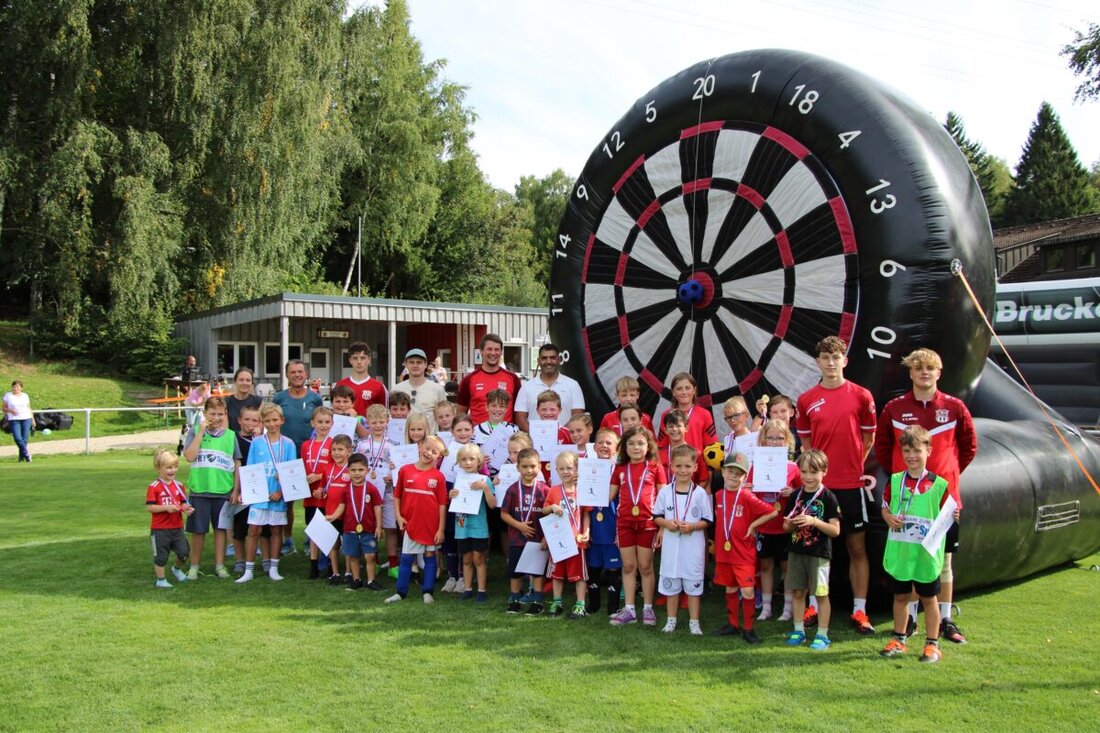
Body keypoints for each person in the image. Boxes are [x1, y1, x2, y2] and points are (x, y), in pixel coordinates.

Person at [874, 348, 977, 645]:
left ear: (938, 373)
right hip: (906, 501)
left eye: (930, 368)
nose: (924, 372)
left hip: (942, 502)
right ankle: (910, 621)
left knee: (942, 562)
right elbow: (883, 449)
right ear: (910, 373)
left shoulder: (954, 407)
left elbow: (968, 448)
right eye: (918, 368)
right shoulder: (894, 408)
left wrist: (947, 477)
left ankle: (945, 619)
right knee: (909, 560)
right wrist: (901, 478)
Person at [795, 336, 877, 635]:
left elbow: (868, 439)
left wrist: (853, 466)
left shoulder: (862, 395)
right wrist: (817, 475)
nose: (831, 363)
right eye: (825, 358)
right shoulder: (806, 400)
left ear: (845, 360)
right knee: (814, 550)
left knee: (856, 547)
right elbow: (807, 447)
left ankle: (859, 610)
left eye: (836, 357)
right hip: (819, 489)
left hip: (851, 485)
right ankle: (814, 607)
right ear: (818, 362)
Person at [878, 425, 952, 663]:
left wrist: (954, 515)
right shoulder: (895, 481)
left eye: (917, 450)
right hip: (901, 551)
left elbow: (948, 515)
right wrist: (888, 517)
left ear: (928, 451)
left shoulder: (939, 484)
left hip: (925, 554)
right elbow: (885, 507)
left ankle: (932, 645)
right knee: (900, 597)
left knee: (928, 599)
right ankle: (899, 640)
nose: (911, 456)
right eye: (907, 450)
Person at [708, 452, 778, 643]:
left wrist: (753, 525)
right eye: (730, 471)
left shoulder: (747, 496)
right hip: (724, 552)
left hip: (743, 553)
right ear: (723, 472)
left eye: (738, 474)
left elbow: (772, 512)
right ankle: (732, 624)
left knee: (747, 591)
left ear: (744, 477)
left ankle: (748, 628)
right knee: (730, 588)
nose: (733, 476)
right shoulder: (719, 495)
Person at [653, 444, 714, 635]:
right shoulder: (665, 492)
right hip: (671, 548)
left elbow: (707, 520)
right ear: (671, 466)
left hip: (692, 548)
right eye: (678, 466)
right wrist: (667, 523)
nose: (683, 470)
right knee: (671, 587)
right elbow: (657, 516)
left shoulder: (700, 493)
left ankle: (694, 623)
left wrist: (693, 526)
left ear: (695, 467)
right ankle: (671, 620)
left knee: (693, 588)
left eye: (687, 466)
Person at [783, 449, 841, 651]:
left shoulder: (828, 497)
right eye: (804, 472)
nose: (808, 477)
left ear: (824, 472)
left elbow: (835, 530)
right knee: (798, 591)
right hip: (796, 551)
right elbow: (785, 527)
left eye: (813, 472)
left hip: (819, 554)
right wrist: (790, 524)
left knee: (821, 594)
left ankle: (822, 635)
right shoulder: (795, 495)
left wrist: (814, 521)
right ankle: (798, 631)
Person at [608, 426, 667, 626]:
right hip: (624, 523)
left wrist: (662, 527)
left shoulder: (655, 467)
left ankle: (648, 608)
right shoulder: (619, 469)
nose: (636, 447)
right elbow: (608, 496)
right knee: (628, 566)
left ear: (648, 446)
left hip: (648, 524)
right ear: (624, 447)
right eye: (631, 443)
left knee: (645, 566)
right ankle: (630, 609)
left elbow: (663, 499)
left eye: (640, 443)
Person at [181, 396, 240, 580]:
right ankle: (194, 566)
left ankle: (220, 565)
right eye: (212, 414)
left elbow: (237, 463)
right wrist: (200, 433)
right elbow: (189, 457)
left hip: (222, 491)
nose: (216, 418)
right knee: (198, 531)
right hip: (200, 490)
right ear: (205, 413)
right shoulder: (194, 432)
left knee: (220, 530)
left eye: (220, 414)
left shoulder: (230, 435)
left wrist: (235, 490)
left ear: (225, 414)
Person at [237, 404, 296, 583]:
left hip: (277, 496)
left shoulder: (288, 444)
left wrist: (281, 491)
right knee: (253, 530)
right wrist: (249, 492)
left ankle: (274, 568)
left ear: (282, 420)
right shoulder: (257, 443)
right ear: (262, 422)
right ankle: (248, 570)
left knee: (276, 530)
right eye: (268, 420)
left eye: (275, 420)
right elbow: (250, 468)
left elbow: (292, 472)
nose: (272, 424)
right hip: (259, 495)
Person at [749, 419, 801, 621]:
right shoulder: (756, 466)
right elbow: (749, 495)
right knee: (765, 566)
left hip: (785, 526)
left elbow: (803, 493)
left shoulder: (793, 468)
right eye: (770, 438)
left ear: (787, 440)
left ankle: (787, 609)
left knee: (787, 567)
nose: (774, 442)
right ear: (763, 440)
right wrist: (748, 489)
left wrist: (793, 491)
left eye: (779, 438)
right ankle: (767, 608)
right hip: (765, 526)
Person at [386, 435, 448, 604]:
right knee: (406, 558)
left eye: (434, 452)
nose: (429, 453)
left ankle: (428, 591)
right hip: (411, 524)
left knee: (430, 556)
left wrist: (441, 529)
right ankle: (401, 592)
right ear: (420, 446)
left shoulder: (438, 477)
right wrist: (399, 516)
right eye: (427, 448)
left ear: (439, 456)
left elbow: (442, 504)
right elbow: (397, 496)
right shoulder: (405, 470)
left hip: (431, 525)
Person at [273, 359, 323, 557]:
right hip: (287, 456)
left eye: (300, 371)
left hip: (311, 455)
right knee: (287, 500)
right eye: (293, 372)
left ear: (306, 374)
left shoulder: (315, 398)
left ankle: (313, 539)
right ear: (287, 375)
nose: (297, 375)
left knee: (314, 498)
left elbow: (321, 421)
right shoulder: (279, 398)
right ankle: (287, 540)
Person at [540, 450, 591, 619]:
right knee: (557, 574)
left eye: (569, 468)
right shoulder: (554, 491)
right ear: (556, 470)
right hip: (558, 540)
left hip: (577, 540)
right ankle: (557, 602)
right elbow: (544, 511)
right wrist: (552, 507)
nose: (565, 471)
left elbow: (586, 513)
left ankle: (580, 605)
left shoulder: (581, 490)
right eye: (561, 469)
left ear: (576, 469)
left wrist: (586, 531)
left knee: (579, 575)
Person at [500, 447, 549, 614]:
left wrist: (546, 538)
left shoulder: (544, 489)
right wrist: (519, 525)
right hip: (517, 538)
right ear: (518, 467)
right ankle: (514, 600)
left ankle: (537, 601)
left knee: (537, 572)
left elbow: (550, 517)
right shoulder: (513, 490)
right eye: (525, 466)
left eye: (533, 466)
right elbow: (504, 514)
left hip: (537, 539)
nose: (529, 470)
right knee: (515, 571)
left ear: (539, 467)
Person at [449, 443, 496, 602]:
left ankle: (481, 591)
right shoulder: (458, 480)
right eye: (464, 459)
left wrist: (485, 488)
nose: (468, 462)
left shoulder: (485, 480)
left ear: (479, 461)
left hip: (478, 528)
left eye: (472, 459)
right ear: (459, 462)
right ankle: (467, 589)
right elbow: (454, 502)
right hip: (462, 528)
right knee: (466, 559)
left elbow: (493, 504)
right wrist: (451, 495)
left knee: (479, 559)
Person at [357, 404, 396, 575]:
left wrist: (393, 476)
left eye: (381, 422)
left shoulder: (393, 445)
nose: (378, 425)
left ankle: (393, 565)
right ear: (368, 423)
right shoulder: (362, 445)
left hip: (388, 491)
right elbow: (357, 467)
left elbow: (398, 468)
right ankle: (375, 561)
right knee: (370, 527)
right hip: (368, 493)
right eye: (374, 422)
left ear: (387, 421)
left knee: (390, 528)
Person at [585, 428, 621, 615]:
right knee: (593, 565)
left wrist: (620, 531)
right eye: (600, 442)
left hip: (611, 525)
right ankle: (594, 604)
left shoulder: (620, 471)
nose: (604, 446)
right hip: (592, 525)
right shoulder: (586, 469)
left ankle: (613, 606)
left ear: (617, 448)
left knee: (614, 566)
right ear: (594, 446)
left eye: (609, 443)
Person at [146, 449, 194, 588]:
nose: (172, 470)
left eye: (175, 467)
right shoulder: (154, 487)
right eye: (168, 467)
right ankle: (161, 580)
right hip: (160, 529)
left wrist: (186, 508)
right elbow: (150, 507)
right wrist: (166, 508)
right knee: (161, 556)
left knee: (184, 552)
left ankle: (176, 569)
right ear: (158, 468)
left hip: (177, 527)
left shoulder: (179, 486)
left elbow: (183, 502)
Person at [514, 343, 586, 431]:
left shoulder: (573, 385)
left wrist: (560, 434)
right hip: (534, 439)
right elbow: (520, 418)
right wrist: (536, 434)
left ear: (559, 360)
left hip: (565, 439)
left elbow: (577, 416)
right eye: (544, 358)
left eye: (552, 358)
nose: (548, 362)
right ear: (538, 361)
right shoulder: (527, 387)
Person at [457, 333, 523, 424]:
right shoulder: (468, 379)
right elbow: (460, 414)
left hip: (506, 432)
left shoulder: (513, 379)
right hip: (478, 432)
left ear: (501, 352)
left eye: (497, 349)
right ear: (481, 351)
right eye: (489, 349)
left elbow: (519, 413)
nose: (493, 353)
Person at [341, 453, 385, 591]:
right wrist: (331, 516)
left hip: (368, 529)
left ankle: (371, 580)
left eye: (360, 470)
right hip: (350, 530)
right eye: (353, 470)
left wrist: (379, 526)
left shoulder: (371, 489)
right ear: (348, 471)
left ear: (367, 470)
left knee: (370, 555)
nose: (357, 473)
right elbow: (342, 507)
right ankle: (356, 580)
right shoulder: (346, 489)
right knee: (353, 556)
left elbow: (377, 507)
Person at [229, 404, 264, 575]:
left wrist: (258, 437)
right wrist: (236, 490)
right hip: (240, 488)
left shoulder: (262, 440)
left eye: (255, 420)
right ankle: (239, 560)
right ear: (239, 420)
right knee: (239, 528)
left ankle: (265, 560)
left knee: (260, 527)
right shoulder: (234, 439)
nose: (250, 423)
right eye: (247, 419)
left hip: (260, 489)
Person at [302, 406, 335, 579]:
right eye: (320, 422)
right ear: (312, 423)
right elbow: (302, 467)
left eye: (327, 422)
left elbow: (335, 468)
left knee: (327, 531)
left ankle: (329, 563)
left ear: (332, 423)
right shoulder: (306, 445)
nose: (323, 425)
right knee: (313, 530)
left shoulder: (333, 444)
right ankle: (313, 566)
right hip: (310, 495)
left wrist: (320, 476)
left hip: (326, 495)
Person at [657, 372, 716, 452]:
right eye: (679, 389)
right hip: (673, 459)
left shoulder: (705, 414)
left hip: (697, 460)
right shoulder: (666, 415)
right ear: (673, 392)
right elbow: (661, 446)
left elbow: (712, 446)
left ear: (694, 390)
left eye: (687, 388)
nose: (684, 392)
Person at [391, 348, 448, 431]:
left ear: (425, 364)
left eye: (419, 362)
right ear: (405, 364)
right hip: (403, 437)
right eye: (411, 362)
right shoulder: (396, 389)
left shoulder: (437, 389)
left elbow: (444, 418)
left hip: (429, 437)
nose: (415, 365)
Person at [336, 341, 388, 417]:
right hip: (345, 425)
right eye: (355, 358)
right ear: (350, 360)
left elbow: (384, 416)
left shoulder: (379, 387)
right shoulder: (340, 385)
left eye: (363, 358)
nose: (359, 362)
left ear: (369, 359)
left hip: (369, 425)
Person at [225, 367, 263, 434]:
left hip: (252, 438)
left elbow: (259, 428)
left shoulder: (258, 402)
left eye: (248, 380)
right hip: (231, 438)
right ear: (235, 382)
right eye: (241, 380)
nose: (245, 383)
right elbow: (224, 429)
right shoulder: (226, 402)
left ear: (252, 383)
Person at [3, 379, 33, 463]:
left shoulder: (25, 395)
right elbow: (3, 408)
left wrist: (33, 419)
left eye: (17, 387)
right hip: (14, 419)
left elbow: (29, 407)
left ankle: (21, 458)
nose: (15, 388)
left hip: (26, 418)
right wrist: (11, 410)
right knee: (17, 438)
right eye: (14, 387)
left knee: (24, 439)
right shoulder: (8, 395)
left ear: (21, 388)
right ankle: (27, 453)